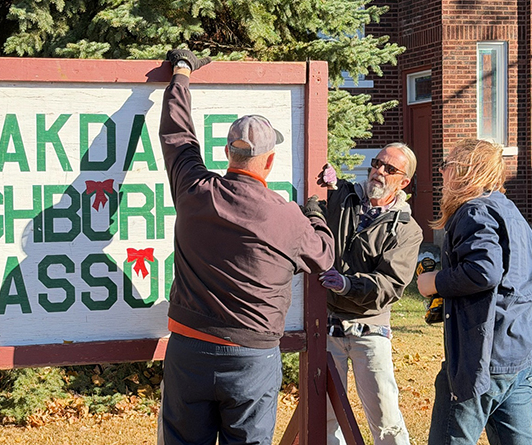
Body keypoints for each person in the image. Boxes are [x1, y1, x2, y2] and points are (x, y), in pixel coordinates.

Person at [158, 49, 335, 445]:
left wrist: (182, 73)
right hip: (251, 358)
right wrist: (316, 214)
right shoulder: (287, 217)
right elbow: (324, 256)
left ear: (227, 153)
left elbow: (177, 137)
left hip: (189, 350)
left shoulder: (195, 190)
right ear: (269, 162)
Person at [416, 139, 532, 445]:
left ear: (466, 172)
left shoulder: (473, 211)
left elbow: (484, 271)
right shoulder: (507, 208)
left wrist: (435, 282)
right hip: (521, 348)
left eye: (447, 165)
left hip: (483, 358)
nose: (441, 172)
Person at [317, 143, 422, 445]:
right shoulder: (345, 196)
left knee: (385, 419)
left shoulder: (406, 229)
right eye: (377, 163)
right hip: (329, 326)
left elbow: (390, 285)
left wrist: (347, 284)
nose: (379, 172)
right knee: (325, 418)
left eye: (390, 169)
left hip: (370, 332)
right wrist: (328, 181)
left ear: (404, 182)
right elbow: (314, 199)